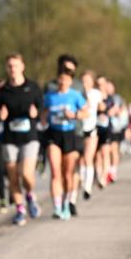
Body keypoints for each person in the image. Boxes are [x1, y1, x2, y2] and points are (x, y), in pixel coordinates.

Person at [0, 54, 42, 226]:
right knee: (13, 177)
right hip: (9, 138)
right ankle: (20, 209)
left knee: (27, 174)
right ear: (7, 69)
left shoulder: (33, 87)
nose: (12, 69)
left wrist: (36, 114)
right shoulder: (2, 91)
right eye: (9, 66)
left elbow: (42, 109)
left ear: (22, 66)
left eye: (15, 65)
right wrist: (0, 116)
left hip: (29, 137)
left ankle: (30, 195)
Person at [42, 60, 88, 221]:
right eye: (61, 78)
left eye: (67, 79)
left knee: (68, 174)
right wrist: (43, 119)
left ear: (71, 81)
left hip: (70, 135)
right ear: (57, 79)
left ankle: (67, 203)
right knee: (55, 172)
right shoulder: (49, 96)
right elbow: (43, 116)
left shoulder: (75, 95)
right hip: (53, 135)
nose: (63, 81)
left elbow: (86, 113)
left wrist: (74, 115)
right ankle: (57, 207)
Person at [76, 70, 105, 206]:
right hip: (78, 130)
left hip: (91, 129)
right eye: (83, 81)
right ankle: (82, 181)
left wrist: (102, 108)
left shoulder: (96, 93)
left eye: (87, 81)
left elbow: (102, 106)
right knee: (80, 160)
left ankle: (87, 187)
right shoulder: (76, 93)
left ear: (92, 82)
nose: (85, 83)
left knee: (88, 158)